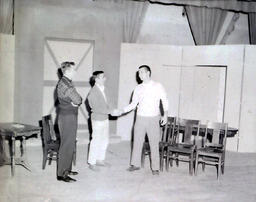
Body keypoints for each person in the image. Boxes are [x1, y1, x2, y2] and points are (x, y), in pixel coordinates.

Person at [118, 65, 169, 175]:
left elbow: (164, 100)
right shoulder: (138, 88)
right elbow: (133, 104)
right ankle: (135, 164)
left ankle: (155, 168)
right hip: (140, 118)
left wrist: (165, 115)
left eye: (141, 72)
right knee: (137, 141)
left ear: (148, 73)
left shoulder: (158, 86)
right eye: (138, 73)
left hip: (153, 118)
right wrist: (122, 110)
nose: (139, 75)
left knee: (154, 143)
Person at [56, 61, 82, 182]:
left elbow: (75, 100)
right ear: (67, 71)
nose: (75, 71)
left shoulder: (66, 82)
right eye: (73, 69)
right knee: (66, 144)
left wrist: (74, 102)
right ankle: (62, 174)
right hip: (67, 118)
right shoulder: (66, 84)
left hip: (68, 116)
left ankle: (67, 168)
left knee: (70, 143)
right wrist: (76, 102)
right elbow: (78, 99)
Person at [87, 71, 115, 171]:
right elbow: (97, 108)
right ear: (97, 79)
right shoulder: (93, 93)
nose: (105, 79)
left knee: (104, 140)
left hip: (105, 119)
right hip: (97, 119)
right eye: (103, 77)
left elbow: (109, 102)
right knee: (96, 140)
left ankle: (100, 160)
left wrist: (112, 110)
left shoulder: (104, 89)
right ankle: (92, 162)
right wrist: (110, 112)